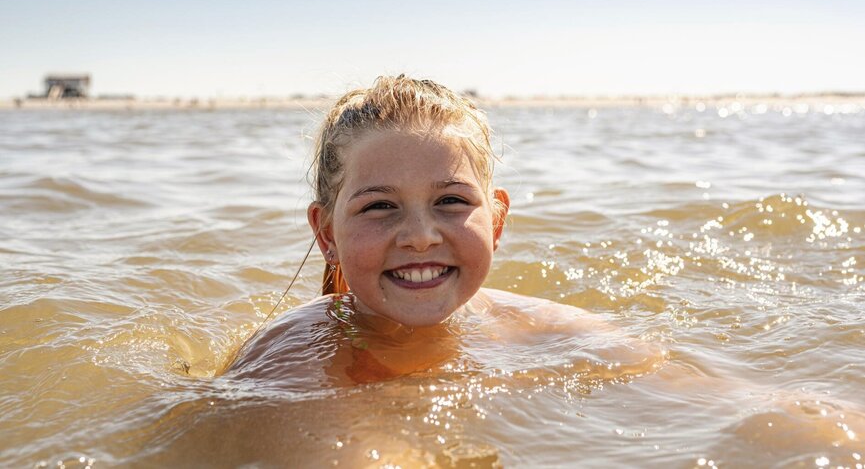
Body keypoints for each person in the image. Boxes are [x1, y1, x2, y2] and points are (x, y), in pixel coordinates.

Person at [225, 75, 662, 386]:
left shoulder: (552, 330)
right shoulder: (287, 364)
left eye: (450, 201)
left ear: (495, 222)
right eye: (379, 206)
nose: (420, 236)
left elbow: (704, 401)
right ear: (328, 235)